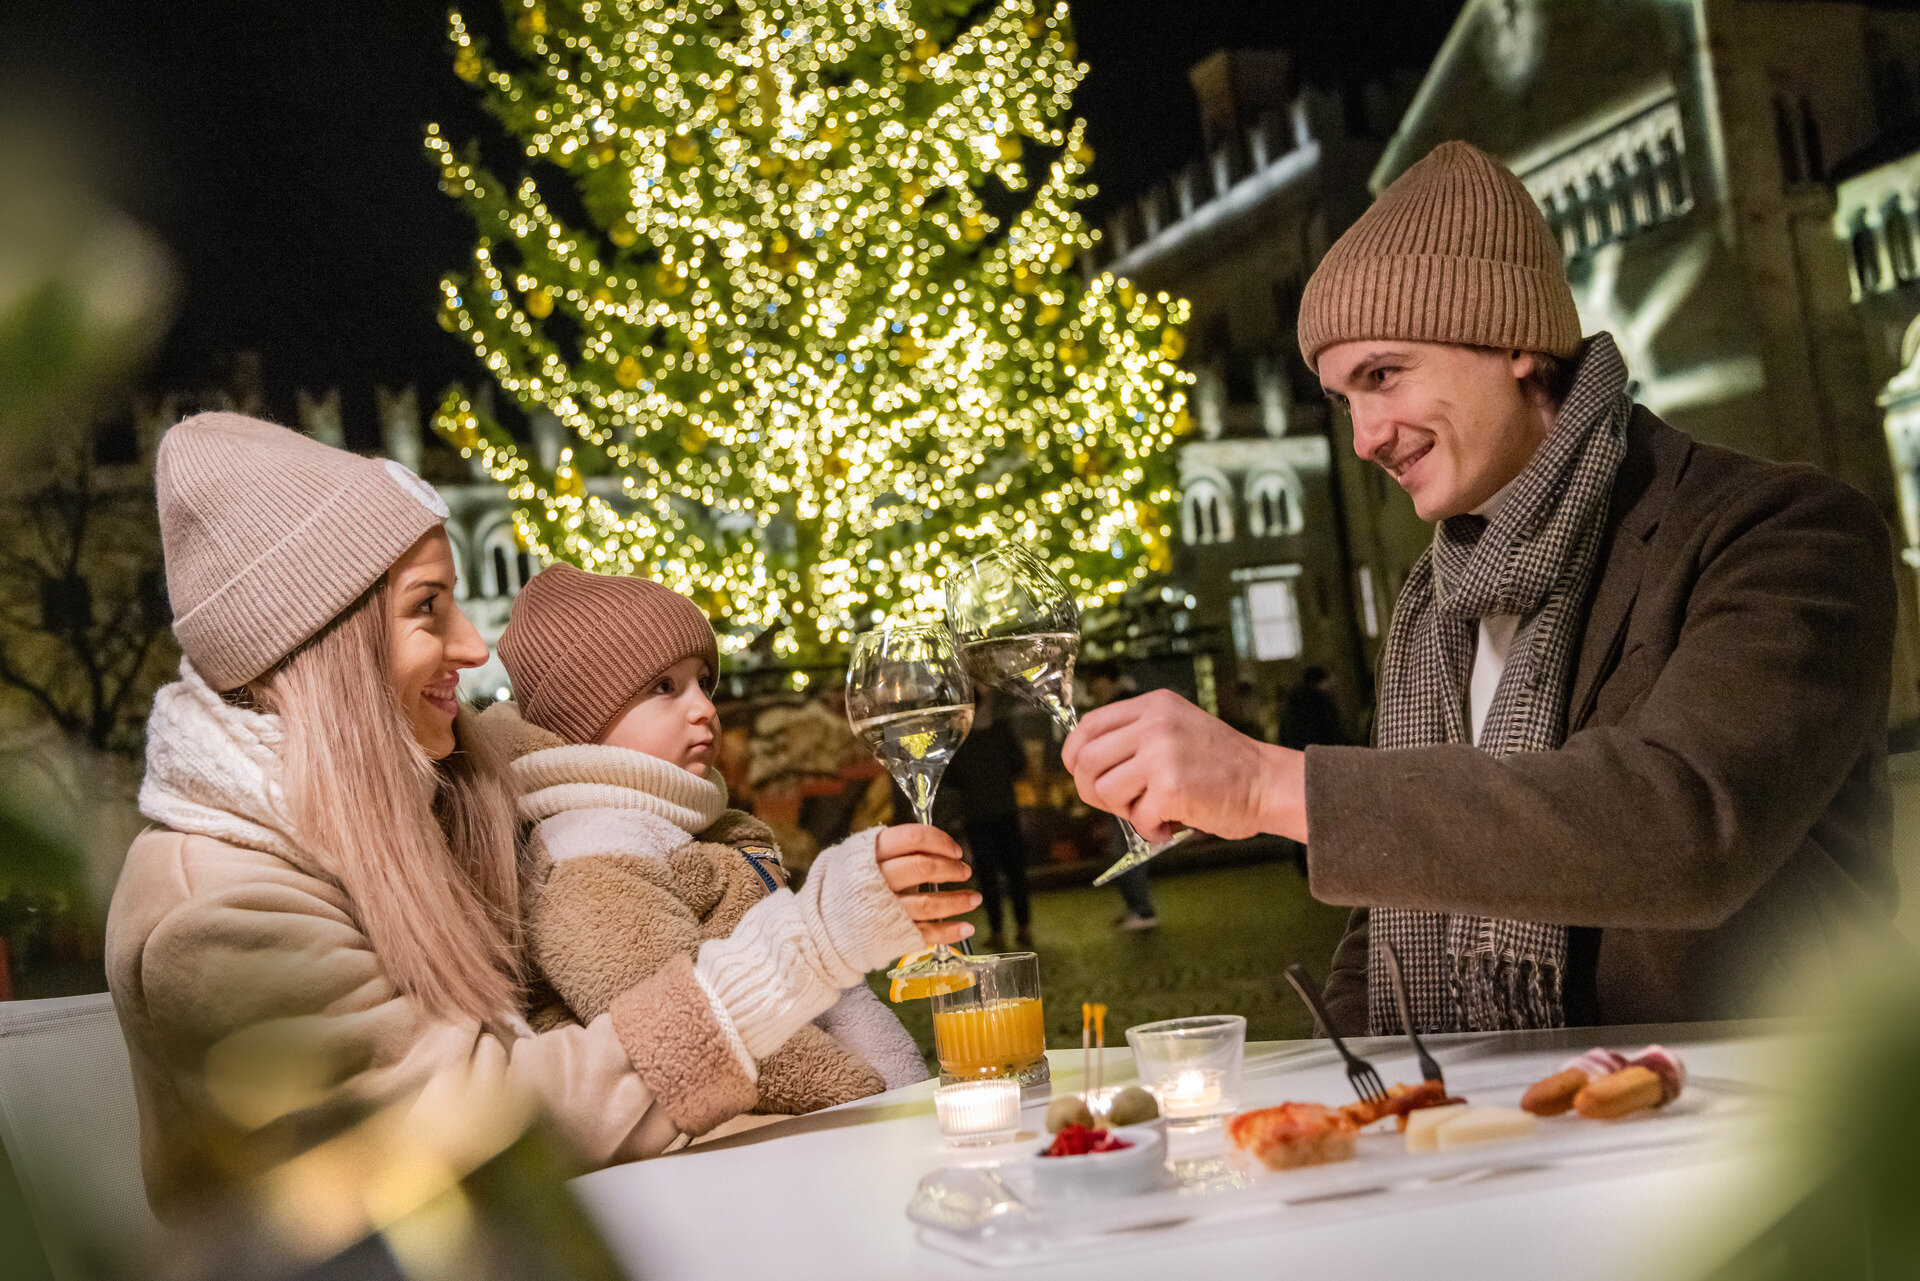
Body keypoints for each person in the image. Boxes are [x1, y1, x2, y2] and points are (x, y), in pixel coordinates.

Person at [1061, 141, 1898, 1036]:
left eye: (1384, 375)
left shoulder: (1782, 531)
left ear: (1516, 343)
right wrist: (1350, 1104)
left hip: (1758, 1127)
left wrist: (1267, 782)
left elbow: (1683, 824)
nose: (1365, 438)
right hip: (1508, 1141)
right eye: (1345, 399)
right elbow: (1393, 912)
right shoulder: (1433, 599)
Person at [105, 413, 976, 1218]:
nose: (476, 647)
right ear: (332, 646)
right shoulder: (216, 909)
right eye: (425, 608)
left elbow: (582, 750)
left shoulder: (434, 786)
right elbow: (481, 1139)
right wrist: (804, 946)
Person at [485, 562, 928, 1116]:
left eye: (703, 682)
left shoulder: (692, 828)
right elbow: (699, 1030)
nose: (706, 709)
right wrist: (872, 1106)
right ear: (582, 721)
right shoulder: (589, 855)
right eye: (665, 688)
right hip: (736, 1156)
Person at [944, 689, 1033, 949]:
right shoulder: (1000, 730)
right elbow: (1019, 762)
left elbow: (950, 776)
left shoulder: (960, 737)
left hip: (977, 814)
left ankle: (998, 931)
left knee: (988, 876)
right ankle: (1023, 927)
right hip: (1003, 810)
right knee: (1015, 872)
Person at [1082, 661, 1158, 932]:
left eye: (1094, 680)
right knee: (1126, 850)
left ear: (1106, 679)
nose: (1090, 687)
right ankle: (1137, 908)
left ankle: (1142, 910)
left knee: (1128, 851)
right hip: (1127, 787)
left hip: (1130, 789)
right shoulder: (1127, 702)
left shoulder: (1122, 705)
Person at [1277, 666, 1347, 751]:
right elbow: (1330, 733)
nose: (1332, 684)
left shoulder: (1294, 703)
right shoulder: (1318, 703)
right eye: (1327, 680)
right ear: (1320, 682)